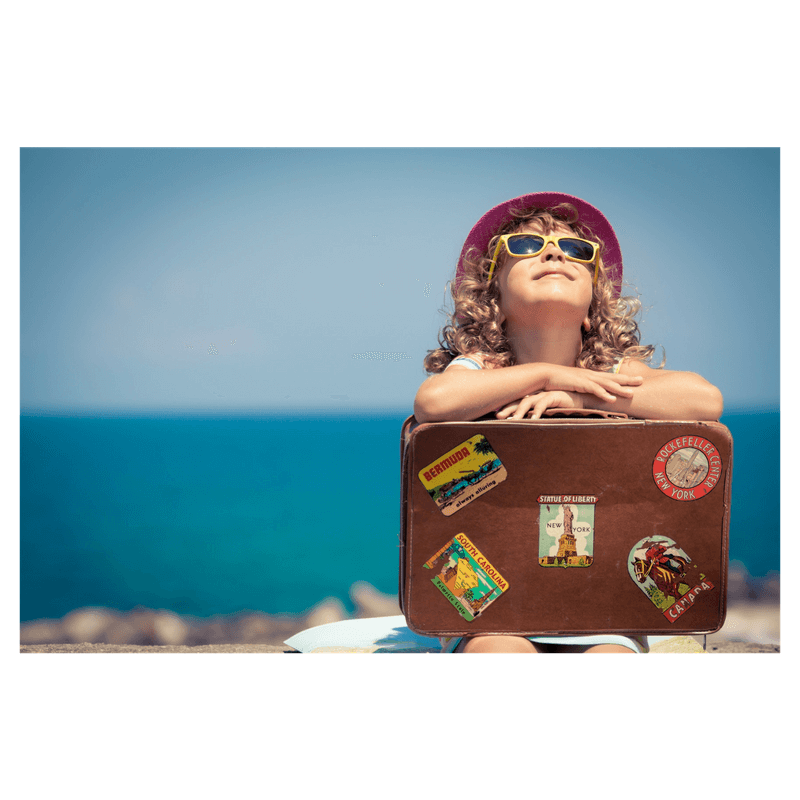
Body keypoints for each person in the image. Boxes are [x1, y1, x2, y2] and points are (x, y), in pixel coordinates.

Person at [414, 192, 723, 654]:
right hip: (487, 605)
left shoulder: (611, 372)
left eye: (578, 250)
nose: (554, 253)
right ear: (492, 295)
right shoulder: (481, 368)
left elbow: (705, 399)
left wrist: (578, 393)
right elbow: (433, 402)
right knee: (497, 650)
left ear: (594, 303)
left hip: (601, 605)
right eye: (525, 246)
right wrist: (546, 374)